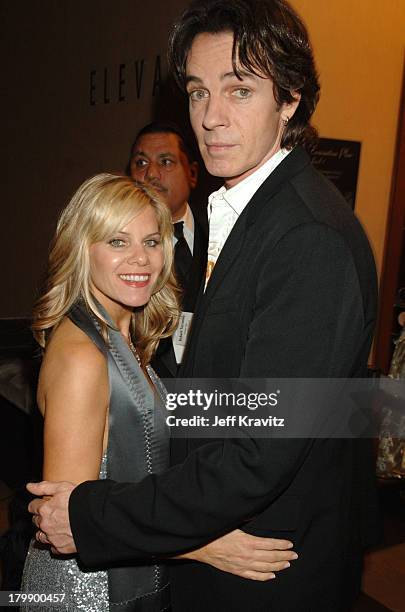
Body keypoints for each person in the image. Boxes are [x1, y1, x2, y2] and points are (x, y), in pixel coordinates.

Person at [29, 1, 379, 610]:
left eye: (239, 90)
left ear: (289, 100)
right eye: (197, 92)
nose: (211, 117)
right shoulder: (251, 215)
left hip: (267, 576)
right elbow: (236, 402)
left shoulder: (307, 237)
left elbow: (257, 452)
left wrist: (95, 516)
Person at [22, 173, 296, 611]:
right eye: (117, 242)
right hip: (87, 594)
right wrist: (205, 547)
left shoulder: (120, 335)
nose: (140, 259)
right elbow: (68, 522)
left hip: (132, 576)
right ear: (81, 250)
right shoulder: (81, 356)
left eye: (151, 242)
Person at [129, 122, 208, 376]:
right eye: (141, 163)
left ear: (192, 173)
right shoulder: (116, 250)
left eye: (165, 162)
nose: (151, 174)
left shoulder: (226, 233)